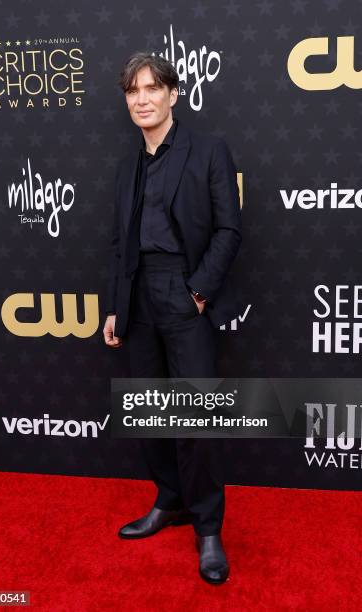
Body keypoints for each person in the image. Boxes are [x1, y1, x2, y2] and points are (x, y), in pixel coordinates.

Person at [103, 51, 242, 585]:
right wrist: (116, 305)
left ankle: (207, 527)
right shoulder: (126, 167)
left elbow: (229, 229)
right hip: (137, 297)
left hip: (185, 290)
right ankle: (170, 501)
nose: (141, 99)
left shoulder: (208, 151)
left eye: (151, 89)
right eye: (132, 91)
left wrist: (199, 293)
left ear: (172, 95)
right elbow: (119, 245)